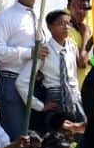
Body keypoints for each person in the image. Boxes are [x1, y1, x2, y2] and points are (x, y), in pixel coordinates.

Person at [0, 0, 42, 138]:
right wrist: (28, 53)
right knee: (17, 139)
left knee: (36, 139)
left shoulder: (40, 16)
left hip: (35, 84)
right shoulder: (7, 16)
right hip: (11, 81)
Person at [29, 10, 84, 138]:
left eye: (68, 23)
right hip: (55, 97)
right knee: (57, 137)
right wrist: (39, 105)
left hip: (74, 97)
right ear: (50, 27)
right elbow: (23, 82)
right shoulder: (44, 50)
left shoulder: (71, 47)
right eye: (61, 23)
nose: (66, 27)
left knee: (83, 135)